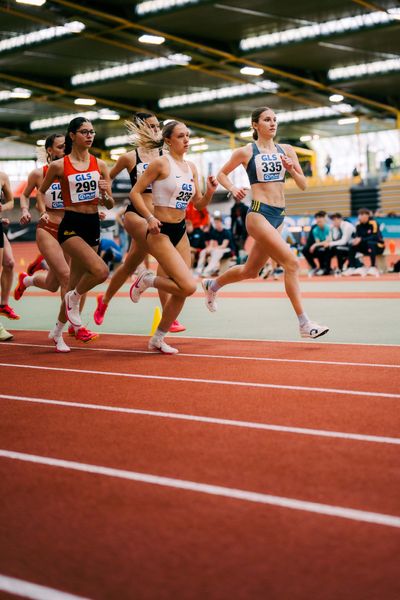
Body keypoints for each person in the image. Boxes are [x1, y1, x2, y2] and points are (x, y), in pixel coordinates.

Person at [202, 106, 329, 339]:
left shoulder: (287, 150)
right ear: (255, 125)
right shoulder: (246, 151)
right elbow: (222, 174)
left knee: (251, 271)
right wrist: (232, 188)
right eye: (267, 120)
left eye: (275, 119)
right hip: (258, 213)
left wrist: (291, 169)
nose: (272, 123)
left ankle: (213, 285)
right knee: (291, 263)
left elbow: (303, 184)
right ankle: (304, 323)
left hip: (278, 216)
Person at [130, 119, 218, 354]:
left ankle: (158, 338)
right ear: (168, 140)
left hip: (180, 232)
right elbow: (135, 192)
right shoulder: (160, 163)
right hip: (159, 230)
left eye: (188, 135)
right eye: (181, 136)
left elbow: (198, 204)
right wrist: (149, 217)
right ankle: (146, 280)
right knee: (188, 286)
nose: (186, 140)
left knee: (181, 291)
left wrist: (210, 192)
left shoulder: (191, 167)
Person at [93, 113, 186, 333]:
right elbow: (108, 177)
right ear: (139, 129)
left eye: (157, 126)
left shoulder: (167, 154)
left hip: (159, 216)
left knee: (129, 265)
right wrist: (99, 196)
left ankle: (104, 301)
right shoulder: (129, 157)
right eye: (151, 126)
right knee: (164, 255)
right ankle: (167, 315)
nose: (156, 130)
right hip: (136, 213)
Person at [16, 133, 98, 351]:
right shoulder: (39, 173)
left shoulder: (71, 170)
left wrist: (92, 212)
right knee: (66, 276)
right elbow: (26, 195)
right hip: (48, 227)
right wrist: (27, 209)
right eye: (61, 147)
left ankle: (28, 280)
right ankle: (67, 328)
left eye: (67, 146)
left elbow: (84, 196)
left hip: (72, 227)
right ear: (50, 151)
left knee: (55, 283)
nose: (65, 149)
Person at [38, 116, 114, 345]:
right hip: (70, 225)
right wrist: (44, 211)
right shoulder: (58, 165)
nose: (90, 135)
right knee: (100, 271)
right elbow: (41, 191)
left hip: (93, 224)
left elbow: (109, 204)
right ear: (72, 136)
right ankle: (74, 298)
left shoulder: (100, 165)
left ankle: (58, 331)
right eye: (84, 132)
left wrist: (104, 194)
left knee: (72, 284)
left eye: (92, 132)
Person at [345, 208, 385, 276]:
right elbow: (357, 237)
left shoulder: (373, 223)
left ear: (367, 216)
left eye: (361, 215)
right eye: (359, 215)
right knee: (352, 245)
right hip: (366, 247)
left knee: (371, 243)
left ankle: (373, 267)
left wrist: (361, 239)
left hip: (378, 246)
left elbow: (375, 237)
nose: (359, 217)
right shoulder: (358, 225)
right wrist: (356, 239)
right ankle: (351, 267)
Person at [0, 171, 15, 341]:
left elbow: (11, 202)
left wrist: (2, 209)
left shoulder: (3, 176)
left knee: (9, 263)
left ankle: (3, 304)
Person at [302, 211, 331, 275]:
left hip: (330, 244)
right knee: (319, 249)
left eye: (320, 218)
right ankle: (318, 268)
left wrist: (315, 245)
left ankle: (326, 268)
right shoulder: (315, 229)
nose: (318, 220)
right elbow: (318, 242)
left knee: (325, 248)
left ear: (324, 219)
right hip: (321, 245)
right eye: (317, 219)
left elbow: (328, 241)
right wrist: (316, 245)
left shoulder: (328, 227)